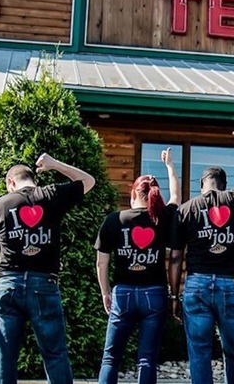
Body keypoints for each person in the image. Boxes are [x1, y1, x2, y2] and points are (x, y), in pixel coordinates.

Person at [169, 125, 234, 384]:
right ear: (223, 185)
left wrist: (173, 294)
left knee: (199, 352)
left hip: (196, 284)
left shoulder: (186, 210)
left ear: (201, 185)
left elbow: (174, 256)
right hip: (230, 283)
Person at [0, 153, 96, 384]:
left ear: (11, 182)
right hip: (44, 284)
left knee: (5, 356)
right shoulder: (49, 195)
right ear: (33, 180)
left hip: (9, 282)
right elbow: (89, 181)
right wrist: (55, 165)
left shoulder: (1, 204)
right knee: (54, 353)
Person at [95, 148, 181, 384]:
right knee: (147, 358)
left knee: (111, 357)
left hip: (122, 293)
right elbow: (176, 196)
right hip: (154, 293)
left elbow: (102, 261)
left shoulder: (114, 220)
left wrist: (105, 291)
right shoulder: (162, 217)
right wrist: (170, 166)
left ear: (133, 193)